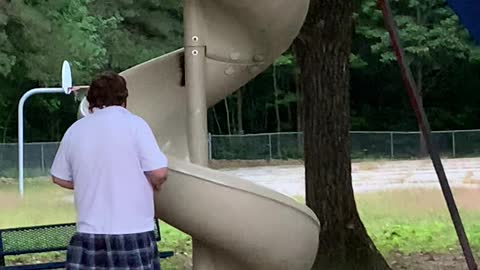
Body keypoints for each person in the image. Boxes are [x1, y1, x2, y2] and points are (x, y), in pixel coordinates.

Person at [50, 71, 168, 270]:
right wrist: (154, 184)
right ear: (124, 99)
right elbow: (159, 173)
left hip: (88, 234)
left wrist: (91, 181)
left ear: (90, 100)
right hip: (133, 230)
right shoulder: (136, 125)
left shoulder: (75, 131)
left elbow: (59, 177)